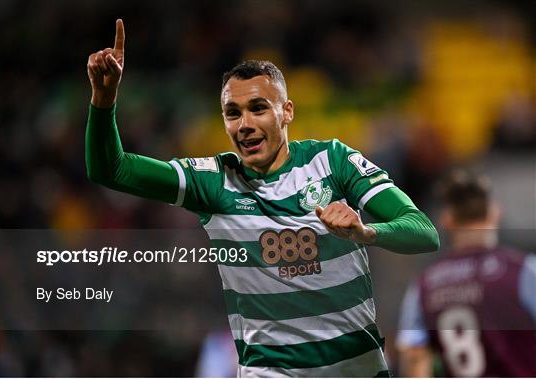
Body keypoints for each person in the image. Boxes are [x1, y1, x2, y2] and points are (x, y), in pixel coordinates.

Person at [86, 19, 439, 377]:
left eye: (258, 108)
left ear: (286, 111)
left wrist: (367, 234)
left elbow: (424, 232)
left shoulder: (332, 161)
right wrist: (104, 101)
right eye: (233, 113)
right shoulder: (213, 181)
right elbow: (111, 169)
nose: (245, 124)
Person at [396, 170, 536, 377]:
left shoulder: (425, 285)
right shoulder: (523, 271)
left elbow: (414, 357)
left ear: (446, 220)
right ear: (495, 213)